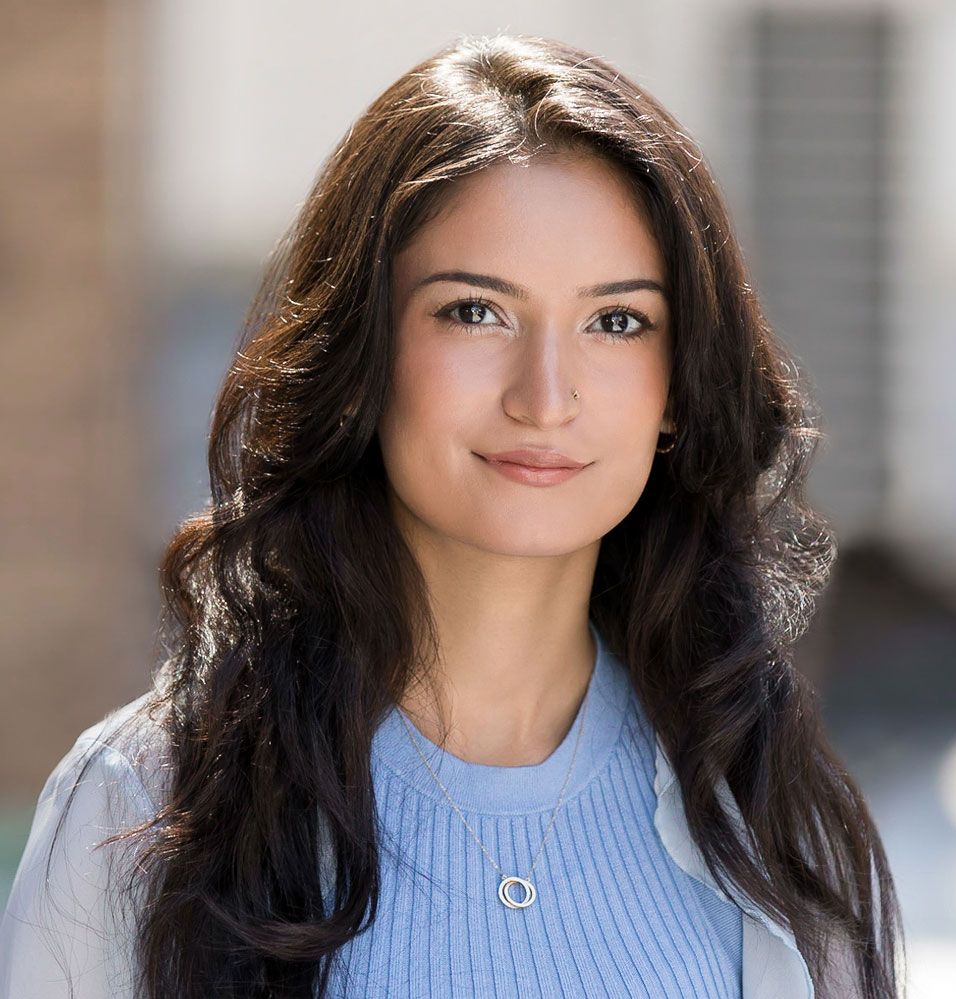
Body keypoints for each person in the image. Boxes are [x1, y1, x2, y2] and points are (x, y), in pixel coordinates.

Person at [0, 32, 905, 998]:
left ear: (678, 387)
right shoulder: (145, 804)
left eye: (617, 321)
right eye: (476, 311)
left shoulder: (778, 823)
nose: (545, 396)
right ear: (364, 354)